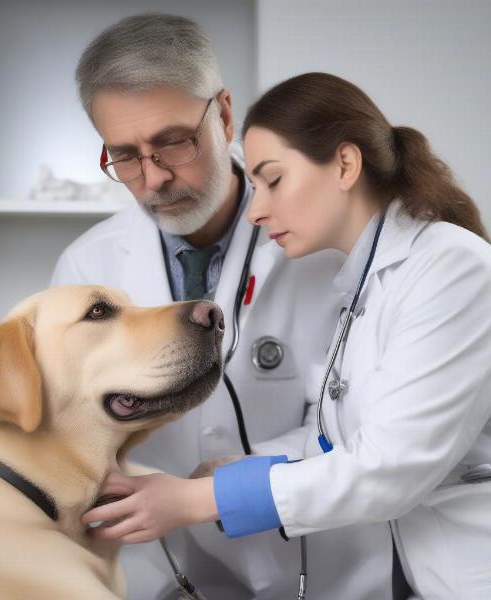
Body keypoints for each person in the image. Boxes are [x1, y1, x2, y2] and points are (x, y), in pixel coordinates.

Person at [83, 72, 491, 599]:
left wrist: (195, 503)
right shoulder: (362, 285)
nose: (256, 209)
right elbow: (335, 439)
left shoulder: (451, 268)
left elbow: (392, 465)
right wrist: (230, 473)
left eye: (272, 180)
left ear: (345, 164)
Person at [52, 16, 395, 600]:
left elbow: (370, 429)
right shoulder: (88, 271)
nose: (154, 178)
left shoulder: (331, 245)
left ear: (226, 115)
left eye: (173, 142)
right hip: (160, 572)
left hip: (329, 566)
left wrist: (232, 478)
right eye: (125, 156)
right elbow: (71, 438)